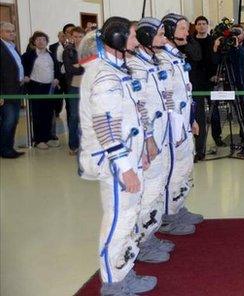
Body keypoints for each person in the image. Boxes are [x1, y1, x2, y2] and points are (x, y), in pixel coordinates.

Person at [77, 21, 157, 296]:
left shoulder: (116, 70)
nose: (137, 41)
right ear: (118, 38)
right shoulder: (105, 77)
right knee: (119, 220)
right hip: (114, 162)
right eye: (133, 36)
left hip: (128, 154)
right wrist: (125, 167)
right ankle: (113, 283)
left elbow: (133, 114)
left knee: (130, 216)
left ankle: (124, 271)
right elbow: (106, 126)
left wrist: (143, 149)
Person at [129, 17, 186, 262]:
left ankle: (150, 233)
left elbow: (166, 97)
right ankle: (142, 241)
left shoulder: (151, 62)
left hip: (163, 131)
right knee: (149, 189)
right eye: (160, 34)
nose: (164, 39)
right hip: (149, 137)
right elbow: (139, 106)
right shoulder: (136, 67)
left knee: (157, 185)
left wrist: (178, 124)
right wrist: (149, 137)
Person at [157, 13, 202, 235]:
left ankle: (178, 206)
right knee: (173, 170)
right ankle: (168, 216)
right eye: (182, 28)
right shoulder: (162, 59)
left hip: (183, 122)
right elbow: (164, 96)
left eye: (187, 28)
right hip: (172, 125)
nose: (187, 32)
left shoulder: (176, 56)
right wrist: (173, 124)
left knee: (185, 168)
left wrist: (192, 119)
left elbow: (185, 93)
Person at [213, 25, 244, 157]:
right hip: (234, 87)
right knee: (240, 118)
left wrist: (238, 47)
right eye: (234, 33)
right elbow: (218, 62)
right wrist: (216, 48)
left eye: (239, 32)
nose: (237, 35)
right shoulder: (228, 47)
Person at [21, 31, 62, 149]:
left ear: (46, 41)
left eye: (43, 39)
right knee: (38, 114)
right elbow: (22, 68)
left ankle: (48, 137)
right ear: (34, 42)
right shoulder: (28, 55)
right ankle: (39, 140)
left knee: (49, 114)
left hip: (49, 88)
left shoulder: (51, 55)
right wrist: (26, 76)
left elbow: (57, 70)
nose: (41, 41)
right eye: (38, 39)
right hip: (36, 87)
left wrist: (57, 79)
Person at [191, 16, 216, 160]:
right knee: (199, 116)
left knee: (215, 113)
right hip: (196, 83)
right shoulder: (191, 42)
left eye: (203, 24)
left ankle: (217, 137)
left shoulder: (213, 41)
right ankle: (200, 150)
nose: (201, 26)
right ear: (196, 26)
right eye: (198, 24)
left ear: (207, 25)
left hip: (211, 81)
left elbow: (215, 60)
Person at [0, 21, 26, 158]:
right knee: (9, 120)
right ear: (0, 32)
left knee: (13, 120)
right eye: (8, 31)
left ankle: (8, 147)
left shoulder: (12, 46)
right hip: (6, 92)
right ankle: (5, 150)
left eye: (13, 31)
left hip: (16, 89)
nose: (12, 33)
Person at [63, 26, 86, 155]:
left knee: (88, 116)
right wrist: (83, 65)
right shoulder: (68, 51)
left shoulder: (89, 49)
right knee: (74, 116)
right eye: (75, 37)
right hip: (74, 86)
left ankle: (87, 145)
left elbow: (92, 66)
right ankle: (73, 145)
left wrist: (79, 65)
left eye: (80, 36)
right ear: (71, 37)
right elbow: (70, 69)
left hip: (88, 86)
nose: (77, 39)